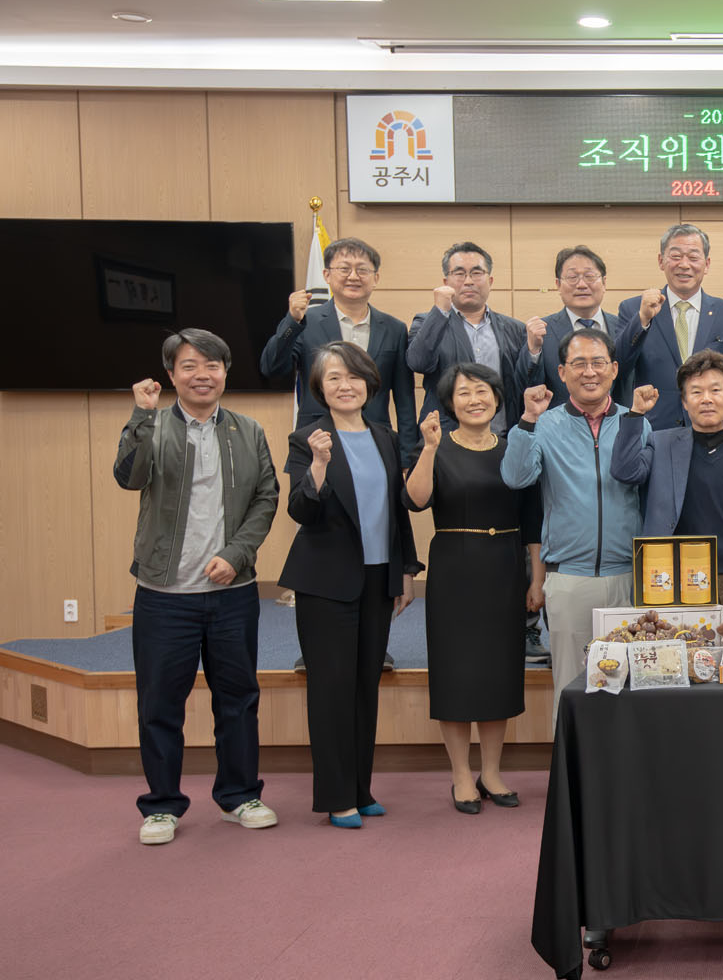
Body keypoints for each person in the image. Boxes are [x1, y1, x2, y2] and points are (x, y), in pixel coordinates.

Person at [114, 329, 280, 846]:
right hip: (164, 595)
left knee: (238, 698)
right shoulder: (153, 424)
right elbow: (129, 477)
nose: (201, 375)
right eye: (188, 366)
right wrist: (142, 416)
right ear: (171, 375)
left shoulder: (249, 431)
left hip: (232, 593)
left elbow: (266, 498)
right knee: (159, 704)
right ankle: (161, 805)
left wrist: (236, 555)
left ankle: (240, 796)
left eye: (211, 365)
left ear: (225, 372)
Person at [280, 342, 421, 828]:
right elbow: (301, 511)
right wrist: (318, 465)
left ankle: (361, 788)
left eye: (354, 376)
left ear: (369, 383)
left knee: (365, 686)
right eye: (334, 378)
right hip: (325, 582)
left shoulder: (385, 437)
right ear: (320, 388)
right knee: (331, 689)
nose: (346, 385)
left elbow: (397, 510)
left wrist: (406, 571)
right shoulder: (307, 439)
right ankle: (336, 796)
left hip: (378, 577)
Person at [405, 363, 542, 814]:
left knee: (499, 672)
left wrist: (537, 577)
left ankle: (492, 771)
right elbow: (415, 500)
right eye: (463, 393)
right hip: (455, 570)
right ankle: (461, 774)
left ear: (497, 398)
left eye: (482, 391)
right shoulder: (437, 446)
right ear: (450, 403)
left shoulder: (512, 447)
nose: (474, 400)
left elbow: (533, 520)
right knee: (456, 671)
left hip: (505, 568)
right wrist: (428, 448)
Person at [501, 328, 642, 718]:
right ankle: (570, 762)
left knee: (628, 690)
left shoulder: (635, 422)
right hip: (569, 577)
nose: (589, 372)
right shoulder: (545, 424)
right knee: (570, 688)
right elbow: (516, 477)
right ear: (562, 372)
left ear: (614, 369)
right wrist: (528, 420)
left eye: (598, 362)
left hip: (628, 577)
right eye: (579, 363)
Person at [613, 351, 723, 610]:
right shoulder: (661, 444)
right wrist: (636, 414)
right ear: (684, 402)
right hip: (680, 579)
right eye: (696, 392)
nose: (707, 399)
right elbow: (625, 471)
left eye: (716, 390)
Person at [260, 236, 419, 463]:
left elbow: (405, 400)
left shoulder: (394, 328)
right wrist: (292, 323)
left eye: (362, 270)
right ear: (326, 275)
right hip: (317, 442)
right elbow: (271, 368)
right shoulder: (304, 322)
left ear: (375, 278)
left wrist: (406, 458)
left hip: (376, 442)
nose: (353, 276)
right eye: (344, 269)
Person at [616, 223, 723, 432]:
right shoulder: (634, 309)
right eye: (676, 256)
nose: (684, 264)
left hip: (712, 432)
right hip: (653, 432)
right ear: (661, 261)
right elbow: (618, 368)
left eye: (693, 257)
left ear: (707, 264)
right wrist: (642, 319)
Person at [407, 241, 538, 436]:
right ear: (446, 282)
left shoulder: (515, 329)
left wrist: (534, 351)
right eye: (459, 273)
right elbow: (419, 363)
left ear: (490, 281)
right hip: (446, 439)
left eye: (477, 273)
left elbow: (523, 382)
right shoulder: (426, 322)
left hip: (502, 437)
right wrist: (440, 312)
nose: (468, 281)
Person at [530, 245, 622, 402]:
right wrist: (533, 351)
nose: (581, 285)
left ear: (604, 282)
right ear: (558, 285)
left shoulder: (623, 327)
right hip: (561, 417)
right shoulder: (542, 332)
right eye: (572, 277)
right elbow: (525, 387)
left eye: (589, 276)